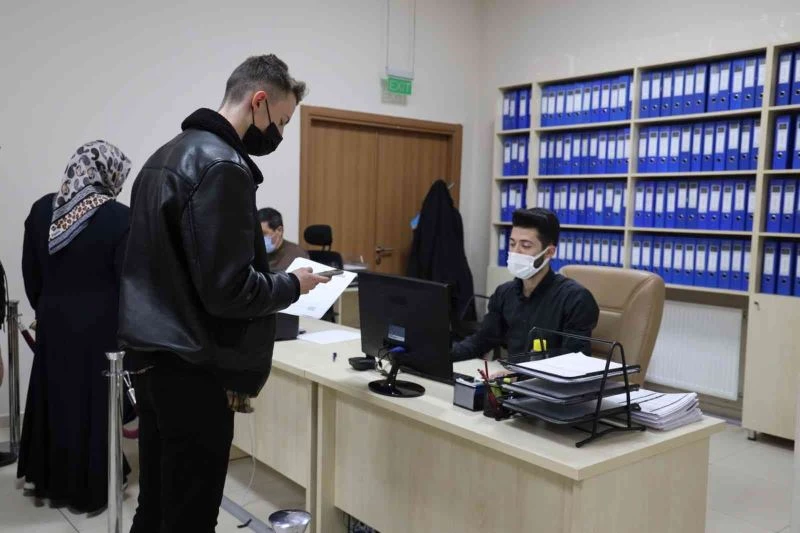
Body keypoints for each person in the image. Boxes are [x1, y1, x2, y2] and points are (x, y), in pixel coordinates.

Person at [117, 54, 328, 533]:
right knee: (190, 513)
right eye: (281, 121)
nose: (279, 134)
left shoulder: (162, 157)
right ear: (259, 101)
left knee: (156, 505)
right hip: (194, 369)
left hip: (152, 361)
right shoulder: (223, 166)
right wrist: (293, 284)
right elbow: (229, 290)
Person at [18, 140, 132, 513]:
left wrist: (48, 308)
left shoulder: (41, 211)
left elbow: (31, 274)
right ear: (108, 173)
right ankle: (91, 485)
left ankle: (50, 478)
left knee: (56, 400)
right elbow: (127, 283)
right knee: (92, 406)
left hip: (53, 323)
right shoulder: (120, 217)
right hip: (101, 328)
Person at [451, 208, 599, 361]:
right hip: (509, 374)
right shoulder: (504, 293)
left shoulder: (575, 299)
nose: (516, 252)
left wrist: (520, 371)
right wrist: (443, 354)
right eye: (512, 244)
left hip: (544, 376)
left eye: (526, 245)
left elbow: (574, 359)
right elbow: (481, 340)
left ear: (549, 252)